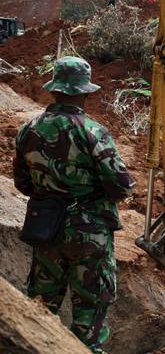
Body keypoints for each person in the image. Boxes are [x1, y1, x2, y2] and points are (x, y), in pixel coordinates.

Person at [13, 56, 135, 353]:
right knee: (90, 316)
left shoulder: (28, 130)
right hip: (88, 235)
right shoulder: (92, 131)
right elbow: (121, 184)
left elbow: (22, 183)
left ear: (54, 89)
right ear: (84, 92)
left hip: (46, 231)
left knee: (39, 312)